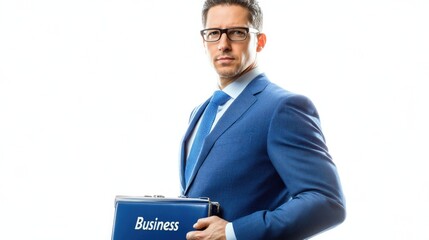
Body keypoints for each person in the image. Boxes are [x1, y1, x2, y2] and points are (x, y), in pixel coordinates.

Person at [179, 0, 346, 239]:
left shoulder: (284, 107)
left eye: (237, 33)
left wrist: (232, 232)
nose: (223, 44)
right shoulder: (200, 112)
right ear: (204, 42)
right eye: (214, 33)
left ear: (260, 41)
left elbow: (326, 202)